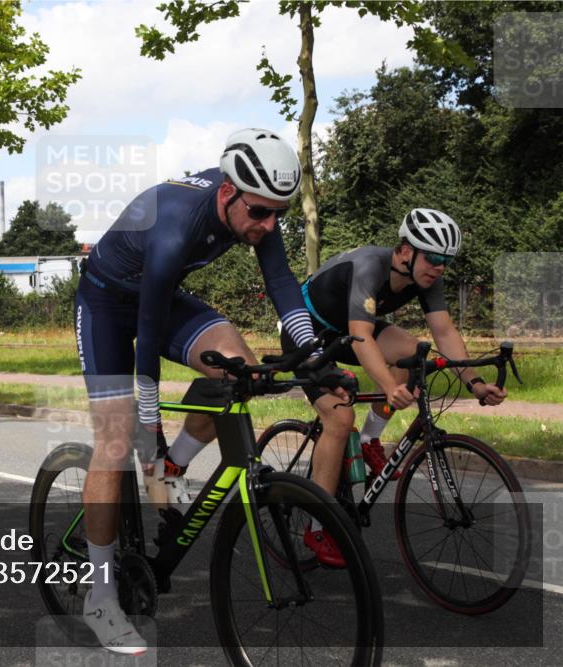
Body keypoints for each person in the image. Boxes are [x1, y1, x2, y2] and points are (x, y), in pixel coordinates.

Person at [74, 128, 326, 654]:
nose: (268, 225)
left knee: (242, 372)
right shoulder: (175, 222)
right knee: (118, 442)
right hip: (107, 306)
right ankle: (99, 596)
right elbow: (144, 327)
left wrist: (315, 354)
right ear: (228, 194)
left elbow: (282, 285)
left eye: (277, 213)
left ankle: (170, 470)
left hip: (159, 296)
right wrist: (147, 420)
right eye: (259, 213)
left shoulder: (255, 203)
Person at [281, 208, 508, 568]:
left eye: (446, 261)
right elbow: (360, 337)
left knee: (413, 354)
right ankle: (316, 524)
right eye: (433, 257)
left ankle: (371, 440)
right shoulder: (370, 266)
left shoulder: (428, 278)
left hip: (351, 329)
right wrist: (387, 385)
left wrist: (475, 383)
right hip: (309, 331)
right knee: (339, 419)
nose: (439, 267)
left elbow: (444, 333)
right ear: (405, 250)